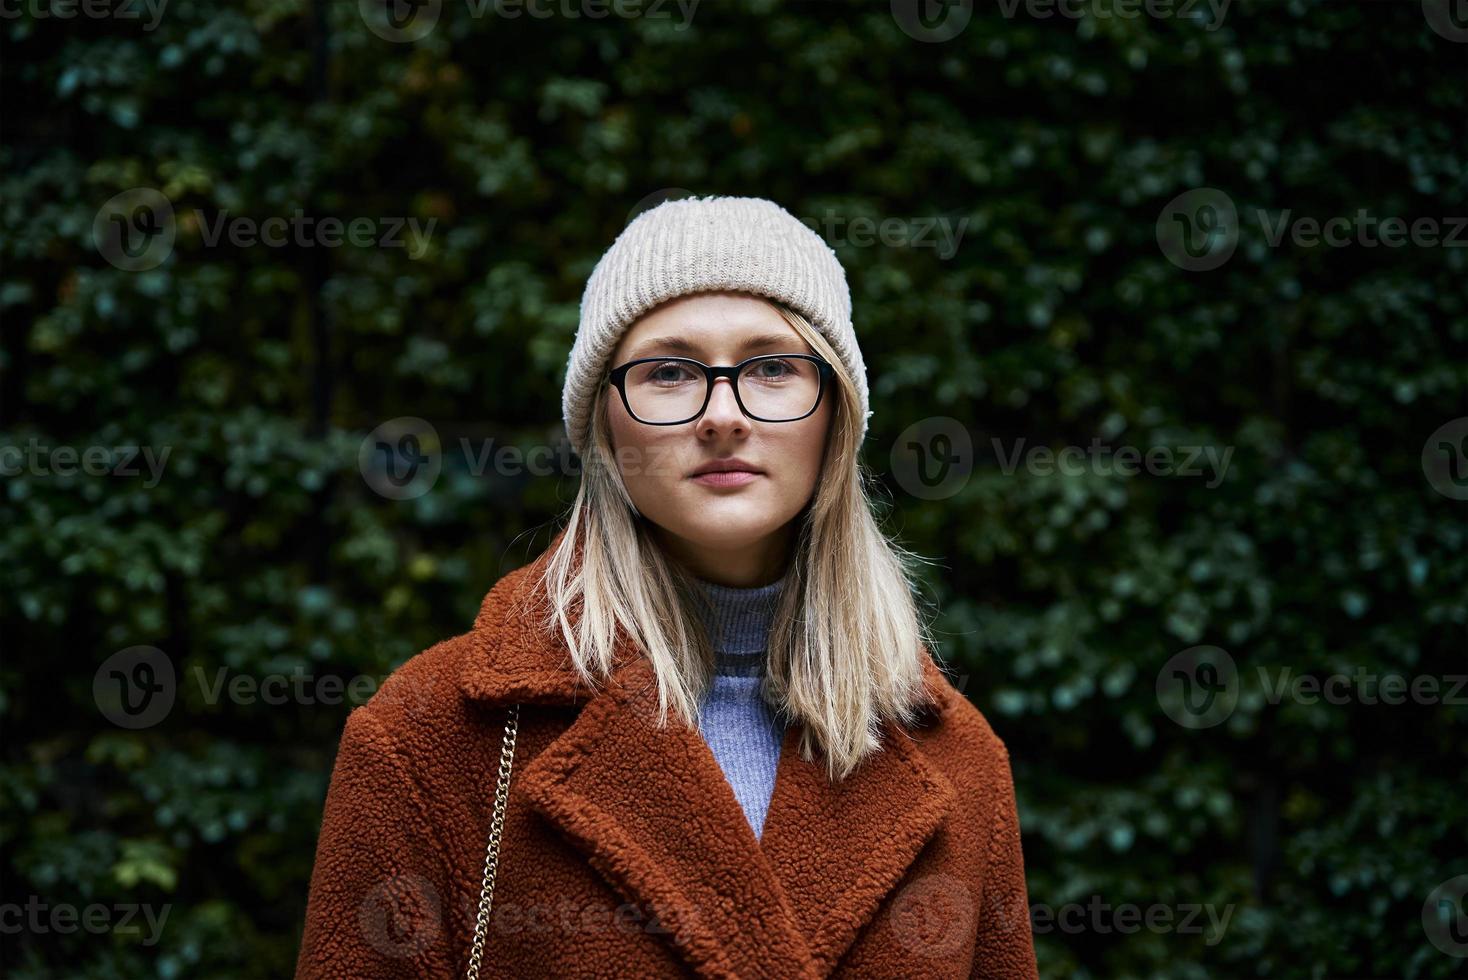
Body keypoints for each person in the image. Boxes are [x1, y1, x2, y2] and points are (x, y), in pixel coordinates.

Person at [294, 195, 1040, 979]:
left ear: (837, 418)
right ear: (604, 426)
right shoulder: (430, 737)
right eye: (670, 372)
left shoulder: (958, 762)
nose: (722, 414)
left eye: (774, 367)